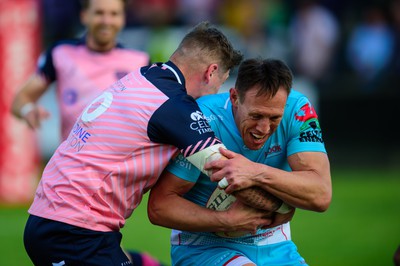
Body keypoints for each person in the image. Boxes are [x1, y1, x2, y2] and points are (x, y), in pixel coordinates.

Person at [22, 20, 245, 266]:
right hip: (73, 229)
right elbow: (225, 169)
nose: (216, 92)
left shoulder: (142, 76)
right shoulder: (173, 104)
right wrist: (274, 196)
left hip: (57, 219)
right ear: (210, 71)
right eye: (220, 83)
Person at [147, 58, 332, 265]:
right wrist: (227, 221)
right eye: (256, 115)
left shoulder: (298, 110)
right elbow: (159, 207)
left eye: (274, 118)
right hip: (203, 245)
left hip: (273, 241)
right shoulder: (200, 119)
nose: (263, 128)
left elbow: (321, 195)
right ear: (235, 97)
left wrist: (255, 172)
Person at [11, 0, 150, 142]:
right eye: (99, 13)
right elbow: (21, 99)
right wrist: (27, 110)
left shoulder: (140, 62)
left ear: (123, 18)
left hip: (120, 161)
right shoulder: (60, 53)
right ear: (84, 16)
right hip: (72, 161)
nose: (106, 21)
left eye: (114, 14)